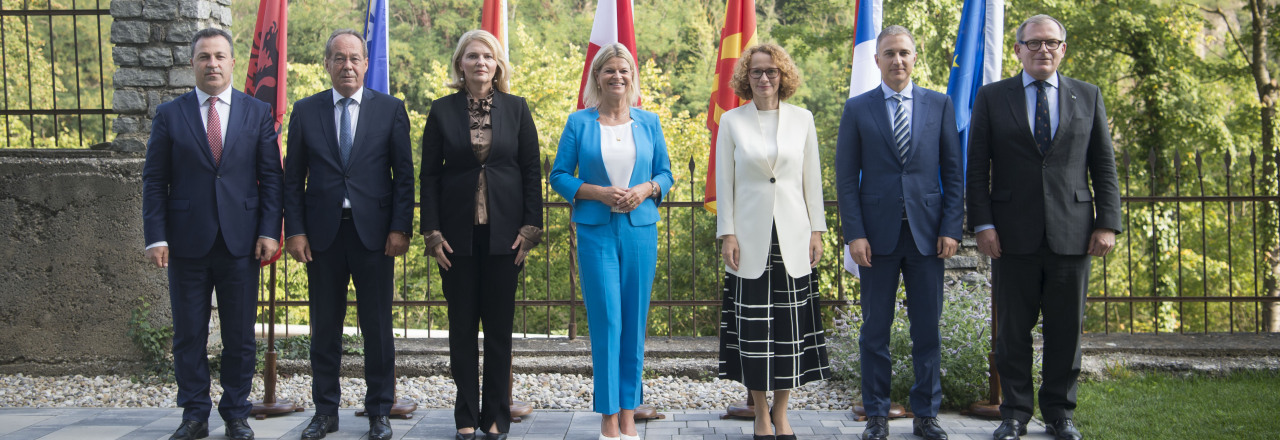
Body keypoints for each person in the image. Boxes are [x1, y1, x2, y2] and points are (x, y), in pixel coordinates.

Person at [966, 14, 1121, 440]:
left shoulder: (1087, 96)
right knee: (1012, 332)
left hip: (1073, 234)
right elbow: (977, 166)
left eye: (1051, 43)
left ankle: (1059, 414)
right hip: (1010, 236)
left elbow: (1103, 165)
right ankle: (1014, 413)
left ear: (1063, 48)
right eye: (1033, 44)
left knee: (1065, 331)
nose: (1043, 50)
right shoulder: (992, 97)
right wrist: (982, 222)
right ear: (1017, 50)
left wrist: (1107, 223)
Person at [141, 27, 282, 440]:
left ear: (232, 62)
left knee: (240, 337)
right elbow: (154, 181)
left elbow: (271, 178)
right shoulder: (170, 114)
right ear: (193, 64)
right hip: (185, 243)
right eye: (204, 57)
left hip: (242, 242)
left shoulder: (256, 113)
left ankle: (236, 413)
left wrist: (270, 231)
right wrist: (156, 236)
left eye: (220, 56)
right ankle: (194, 415)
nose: (212, 64)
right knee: (189, 334)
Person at [282, 29, 414, 440]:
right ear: (327, 64)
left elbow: (404, 177)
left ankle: (379, 411)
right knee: (324, 328)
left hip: (374, 236)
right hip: (321, 237)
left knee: (377, 327)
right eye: (338, 58)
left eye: (355, 58)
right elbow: (292, 180)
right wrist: (296, 231)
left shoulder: (390, 110)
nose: (347, 65)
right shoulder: (305, 111)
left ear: (365, 63)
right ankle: (325, 412)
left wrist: (399, 227)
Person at [836, 26, 963, 440]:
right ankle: (876, 415)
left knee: (927, 330)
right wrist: (854, 233)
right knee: (875, 331)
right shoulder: (858, 108)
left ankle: (926, 415)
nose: (897, 61)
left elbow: (953, 173)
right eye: (889, 53)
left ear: (915, 57)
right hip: (877, 238)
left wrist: (951, 227)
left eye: (904, 53)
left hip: (928, 237)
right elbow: (845, 177)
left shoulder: (939, 105)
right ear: (876, 60)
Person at [419, 29, 542, 440]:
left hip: (506, 238)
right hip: (456, 238)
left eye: (487, 56)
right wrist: (432, 234)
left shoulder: (517, 109)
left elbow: (530, 171)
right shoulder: (441, 111)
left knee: (499, 331)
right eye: (472, 56)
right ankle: (465, 414)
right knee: (461, 330)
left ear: (498, 64)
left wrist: (530, 229)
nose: (480, 63)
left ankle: (496, 416)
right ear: (460, 64)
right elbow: (430, 175)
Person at [549, 43, 674, 440]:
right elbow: (559, 176)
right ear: (597, 77)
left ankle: (627, 411)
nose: (617, 77)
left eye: (624, 70)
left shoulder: (649, 121)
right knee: (606, 322)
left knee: (634, 324)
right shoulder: (579, 122)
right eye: (609, 71)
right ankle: (607, 415)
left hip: (640, 231)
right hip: (596, 232)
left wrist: (648, 187)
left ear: (631, 76)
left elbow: (667, 173)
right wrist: (597, 192)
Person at [715, 42, 829, 440]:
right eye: (757, 71)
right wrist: (726, 232)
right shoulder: (732, 121)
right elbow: (724, 186)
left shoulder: (803, 119)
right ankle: (760, 413)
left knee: (788, 331)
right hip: (748, 240)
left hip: (794, 238)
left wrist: (818, 230)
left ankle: (782, 413)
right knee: (754, 332)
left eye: (772, 71)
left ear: (784, 76)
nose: (764, 78)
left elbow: (810, 180)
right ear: (746, 77)